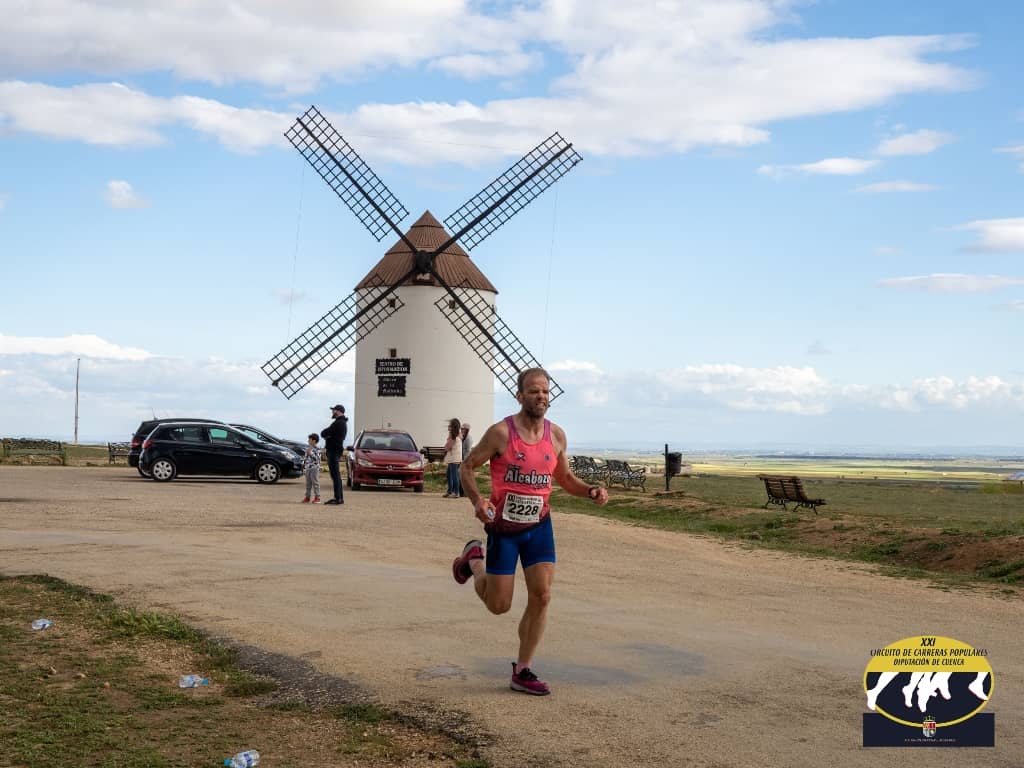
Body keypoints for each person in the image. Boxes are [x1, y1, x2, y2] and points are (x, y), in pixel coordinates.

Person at [452, 367, 609, 695]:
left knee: (543, 595)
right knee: (499, 606)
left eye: (546, 391)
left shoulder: (557, 436)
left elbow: (565, 480)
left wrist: (591, 490)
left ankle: (522, 670)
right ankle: (474, 561)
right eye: (534, 391)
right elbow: (467, 467)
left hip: (539, 526)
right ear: (520, 395)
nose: (541, 396)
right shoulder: (501, 433)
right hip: (504, 529)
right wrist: (478, 501)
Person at [320, 404, 347, 505]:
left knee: (335, 475)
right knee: (336, 475)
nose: (332, 412)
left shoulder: (338, 423)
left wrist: (328, 436)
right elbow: (326, 433)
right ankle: (338, 498)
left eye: (334, 410)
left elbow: (324, 433)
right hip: (335, 450)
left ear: (339, 411)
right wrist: (328, 436)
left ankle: (338, 498)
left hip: (333, 451)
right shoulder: (341, 422)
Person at [442, 418, 462, 498]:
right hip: (454, 458)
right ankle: (450, 491)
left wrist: (446, 446)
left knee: (454, 475)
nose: (448, 427)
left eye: (450, 425)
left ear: (453, 427)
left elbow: (448, 447)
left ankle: (456, 492)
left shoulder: (454, 437)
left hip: (454, 458)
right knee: (449, 475)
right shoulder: (456, 435)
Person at [301, 433, 322, 504]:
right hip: (308, 468)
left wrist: (310, 453)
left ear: (314, 441)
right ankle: (307, 497)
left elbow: (317, 459)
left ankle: (317, 498)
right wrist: (303, 464)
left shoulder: (318, 449)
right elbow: (305, 458)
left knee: (315, 483)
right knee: (308, 484)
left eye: (309, 439)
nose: (308, 441)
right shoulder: (308, 448)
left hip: (314, 468)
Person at [458, 423, 472, 497]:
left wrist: (465, 461)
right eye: (461, 429)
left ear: (467, 430)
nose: (462, 430)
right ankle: (461, 492)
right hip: (461, 458)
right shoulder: (462, 437)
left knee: (464, 477)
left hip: (465, 459)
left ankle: (465, 492)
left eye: (463, 429)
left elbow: (468, 450)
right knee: (460, 475)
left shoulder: (468, 438)